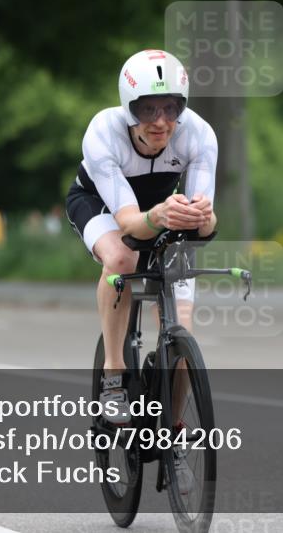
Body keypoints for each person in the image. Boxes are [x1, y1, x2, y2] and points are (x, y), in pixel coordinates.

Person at [65, 49, 217, 488]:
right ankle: (114, 374)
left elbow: (204, 223)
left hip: (161, 211)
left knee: (183, 325)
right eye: (148, 109)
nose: (160, 121)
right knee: (121, 259)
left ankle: (172, 432)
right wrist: (161, 216)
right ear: (128, 108)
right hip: (103, 206)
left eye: (171, 108)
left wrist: (203, 219)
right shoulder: (103, 132)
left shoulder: (199, 134)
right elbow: (131, 224)